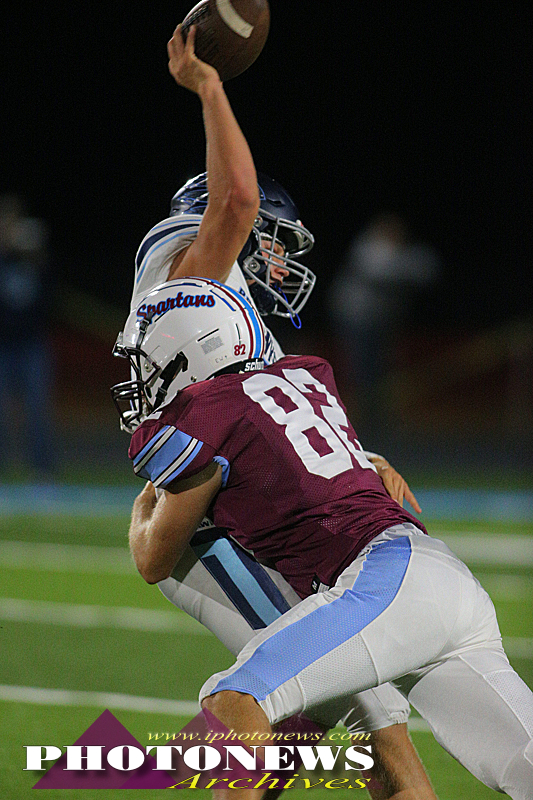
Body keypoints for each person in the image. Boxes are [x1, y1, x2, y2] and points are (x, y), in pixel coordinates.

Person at [115, 23, 438, 799]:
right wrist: (208, 85)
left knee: (328, 728)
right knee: (372, 727)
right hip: (222, 528)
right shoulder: (193, 272)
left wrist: (356, 464)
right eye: (275, 244)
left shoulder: (224, 322)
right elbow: (234, 198)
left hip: (263, 515)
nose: (284, 262)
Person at [121, 276, 533, 800]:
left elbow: (153, 558)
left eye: (150, 364)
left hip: (383, 578)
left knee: (232, 700)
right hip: (441, 575)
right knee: (525, 764)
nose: (143, 379)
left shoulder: (208, 410)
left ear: (186, 354)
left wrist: (145, 507)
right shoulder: (303, 373)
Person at [328, 212, 441, 441]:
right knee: (360, 369)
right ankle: (356, 419)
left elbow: (429, 267)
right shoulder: (368, 246)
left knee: (380, 369)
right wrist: (411, 269)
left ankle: (378, 417)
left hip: (379, 322)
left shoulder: (399, 252)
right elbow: (381, 272)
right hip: (355, 319)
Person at [0, 192, 55, 475]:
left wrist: (35, 255)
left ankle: (42, 469)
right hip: (4, 345)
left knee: (37, 409)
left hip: (32, 344)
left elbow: (48, 293)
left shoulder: (32, 257)